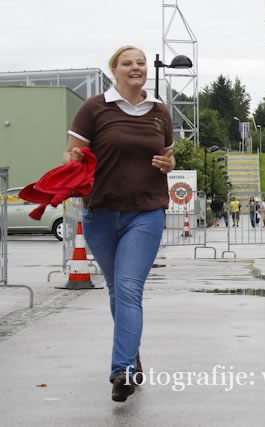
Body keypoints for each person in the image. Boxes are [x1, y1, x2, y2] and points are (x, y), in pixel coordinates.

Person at [63, 46, 175, 402]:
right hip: (100, 212)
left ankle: (122, 371)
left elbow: (168, 156)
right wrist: (73, 158)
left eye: (140, 62)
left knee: (128, 288)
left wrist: (169, 165)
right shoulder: (94, 108)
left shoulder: (159, 112)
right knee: (116, 290)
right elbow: (70, 154)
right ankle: (132, 354)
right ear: (115, 70)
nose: (136, 67)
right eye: (127, 63)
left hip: (146, 212)